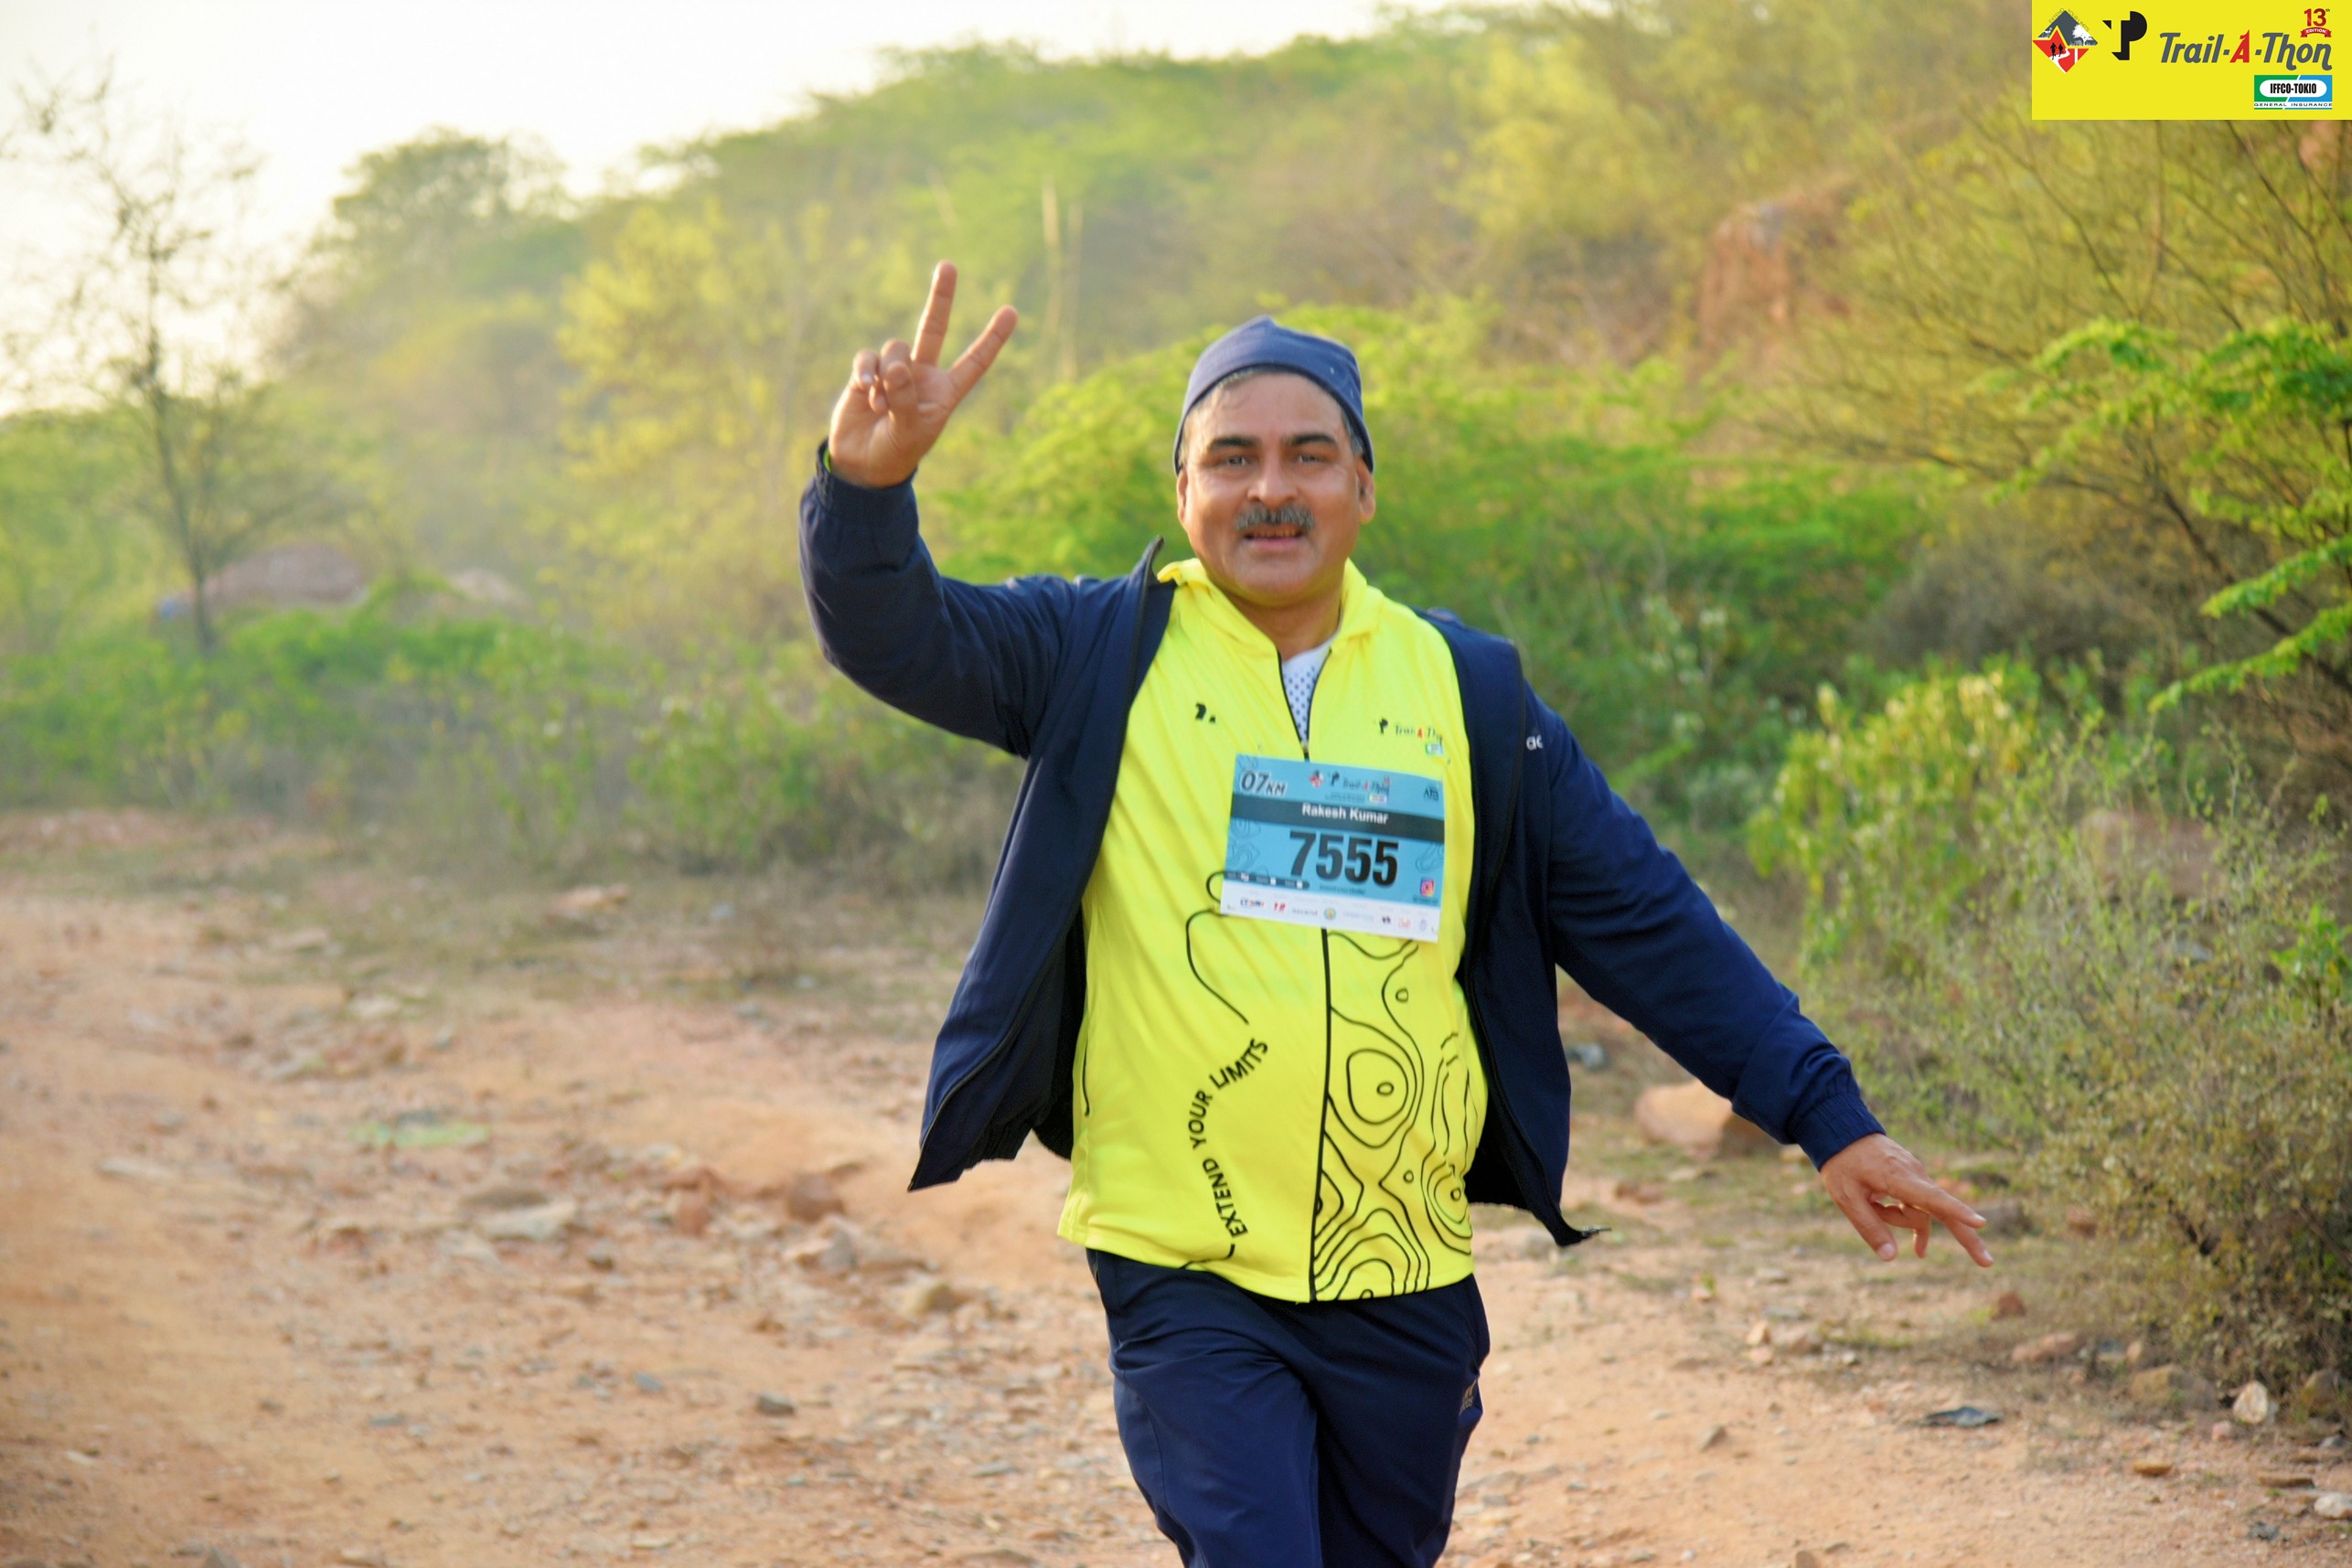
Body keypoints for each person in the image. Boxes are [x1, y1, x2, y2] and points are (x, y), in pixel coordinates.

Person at [800, 263, 1993, 1568]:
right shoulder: (1095, 653)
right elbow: (895, 635)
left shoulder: (1468, 695)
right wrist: (866, 492)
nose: (1270, 488)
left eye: (1309, 456)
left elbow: (1645, 920)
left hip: (1405, 1268)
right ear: (1183, 491)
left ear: (1363, 489)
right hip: (1182, 1263)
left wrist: (1826, 1114)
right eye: (1232, 458)